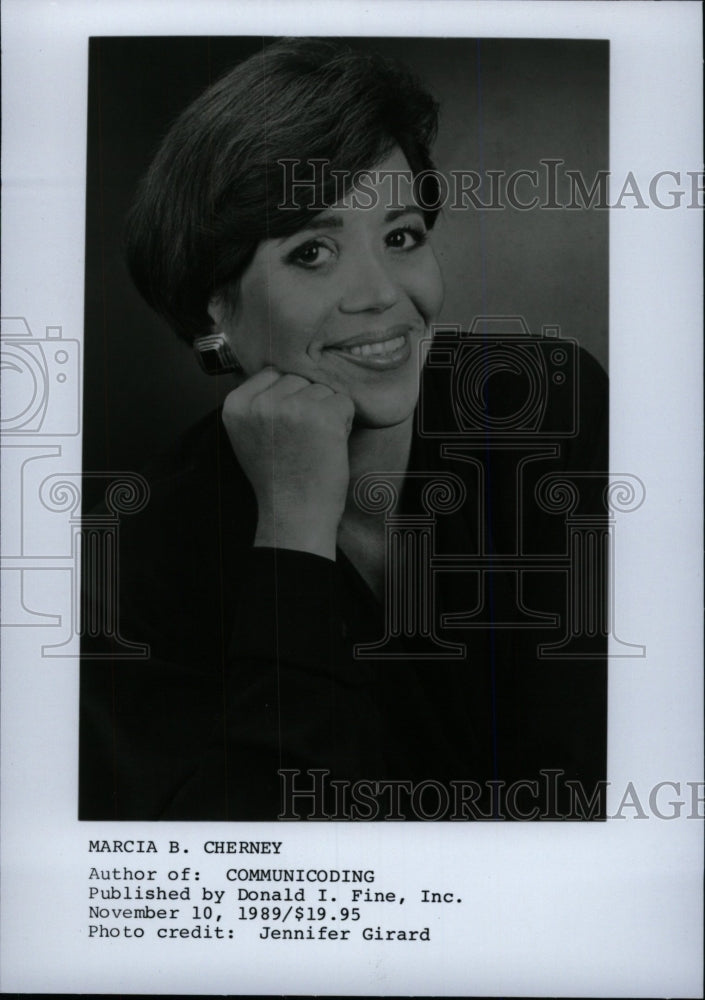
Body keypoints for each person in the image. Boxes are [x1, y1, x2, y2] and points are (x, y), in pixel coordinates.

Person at [79, 37, 608, 821]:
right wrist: (292, 531)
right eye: (312, 252)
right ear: (211, 308)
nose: (381, 294)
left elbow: (596, 774)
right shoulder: (134, 556)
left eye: (401, 237)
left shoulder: (547, 409)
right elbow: (254, 863)